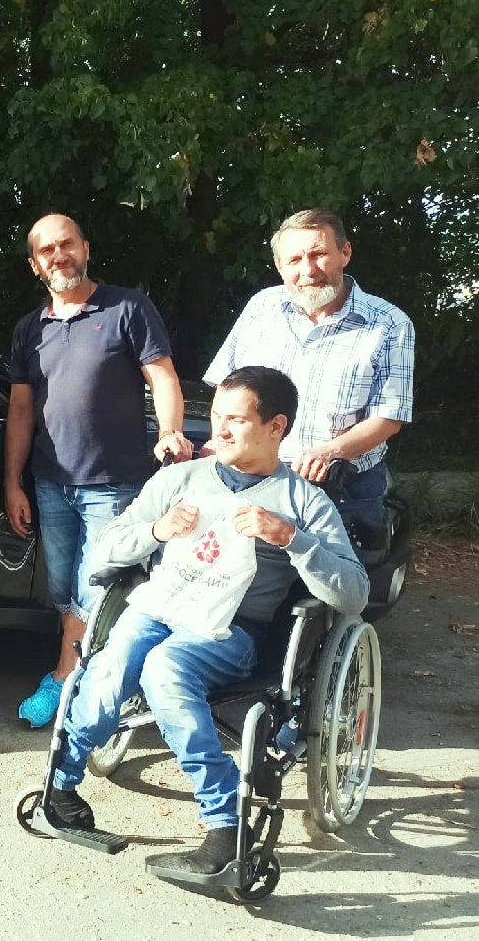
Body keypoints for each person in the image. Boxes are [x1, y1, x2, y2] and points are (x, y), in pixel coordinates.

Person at [44, 366, 368, 873]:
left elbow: (353, 594)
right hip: (161, 607)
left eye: (235, 420)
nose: (217, 431)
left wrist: (290, 539)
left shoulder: (302, 501)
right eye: (216, 416)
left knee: (164, 668)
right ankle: (61, 786)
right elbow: (104, 552)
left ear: (276, 427)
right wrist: (156, 530)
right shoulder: (178, 480)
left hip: (232, 632)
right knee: (116, 659)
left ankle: (223, 822)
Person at [4, 213, 192, 729]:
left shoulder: (128, 307)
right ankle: (94, 675)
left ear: (85, 247)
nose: (58, 255)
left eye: (67, 244)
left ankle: (67, 680)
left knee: (97, 586)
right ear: (34, 264)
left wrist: (170, 431)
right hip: (50, 482)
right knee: (64, 587)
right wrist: (12, 482)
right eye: (47, 250)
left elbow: (163, 377)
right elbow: (20, 411)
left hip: (115, 483)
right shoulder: (29, 329)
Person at [204, 210, 414, 530]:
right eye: (294, 260)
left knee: (338, 579)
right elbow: (225, 386)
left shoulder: (389, 324)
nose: (308, 270)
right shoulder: (262, 307)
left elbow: (388, 418)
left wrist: (331, 452)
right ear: (279, 266)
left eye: (319, 255)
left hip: (344, 492)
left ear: (345, 253)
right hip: (252, 482)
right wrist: (218, 441)